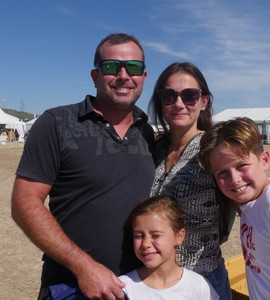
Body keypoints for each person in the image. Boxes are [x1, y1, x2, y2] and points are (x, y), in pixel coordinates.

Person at [11, 33, 155, 300]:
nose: (123, 75)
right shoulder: (57, 123)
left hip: (138, 286)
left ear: (143, 77)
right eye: (112, 67)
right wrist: (84, 266)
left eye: (133, 67)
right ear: (95, 75)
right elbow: (24, 203)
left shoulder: (146, 132)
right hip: (74, 285)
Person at [148, 62, 234, 300]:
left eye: (189, 96)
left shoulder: (214, 148)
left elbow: (251, 190)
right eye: (169, 95)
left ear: (204, 101)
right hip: (157, 280)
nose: (179, 104)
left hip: (203, 280)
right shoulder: (154, 148)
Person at [198, 117, 270, 299]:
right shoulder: (251, 203)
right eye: (222, 173)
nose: (235, 179)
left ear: (264, 160)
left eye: (242, 165)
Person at [119, 195, 220, 299]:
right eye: (138, 236)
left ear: (179, 237)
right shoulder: (123, 288)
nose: (145, 244)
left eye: (155, 235)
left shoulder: (199, 286)